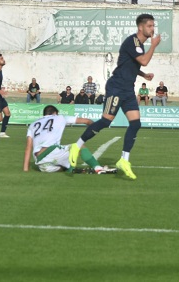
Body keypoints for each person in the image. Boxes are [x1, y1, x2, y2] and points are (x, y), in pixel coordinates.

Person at [69, 13, 161, 180]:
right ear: (141, 27)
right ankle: (77, 146)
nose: (152, 29)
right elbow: (144, 60)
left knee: (135, 123)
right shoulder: (133, 41)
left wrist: (142, 75)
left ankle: (124, 160)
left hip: (127, 89)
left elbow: (127, 64)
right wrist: (154, 46)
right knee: (106, 121)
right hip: (117, 87)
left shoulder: (138, 45)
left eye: (153, 26)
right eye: (149, 26)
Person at [23, 105, 115, 174]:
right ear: (55, 113)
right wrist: (94, 128)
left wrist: (25, 169)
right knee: (79, 146)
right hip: (51, 151)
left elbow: (28, 148)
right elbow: (86, 121)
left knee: (62, 168)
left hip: (40, 162)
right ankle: (98, 168)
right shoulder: (60, 117)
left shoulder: (33, 124)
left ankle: (69, 168)